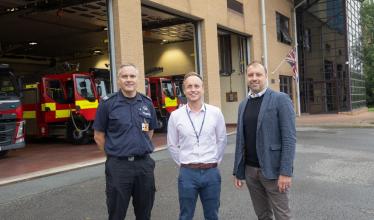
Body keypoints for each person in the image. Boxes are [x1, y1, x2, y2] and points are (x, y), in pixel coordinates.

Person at [93, 64, 158, 220]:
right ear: (119, 80)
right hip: (118, 167)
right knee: (116, 212)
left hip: (144, 166)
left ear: (138, 79)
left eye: (132, 76)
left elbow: (149, 131)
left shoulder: (147, 103)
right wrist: (114, 153)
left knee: (145, 212)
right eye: (125, 76)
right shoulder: (108, 103)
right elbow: (98, 136)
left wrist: (137, 147)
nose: (129, 80)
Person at [233, 61, 296, 220]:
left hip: (274, 171)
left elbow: (289, 138)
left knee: (283, 216)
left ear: (266, 76)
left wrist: (286, 172)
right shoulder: (243, 105)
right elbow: (241, 140)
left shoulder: (280, 99)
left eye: (258, 74)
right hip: (251, 172)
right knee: (262, 215)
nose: (254, 78)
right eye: (251, 75)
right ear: (247, 78)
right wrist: (239, 171)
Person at [167, 72, 227, 220]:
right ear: (184, 90)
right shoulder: (176, 116)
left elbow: (221, 140)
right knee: (186, 215)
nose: (193, 89)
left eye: (196, 86)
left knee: (212, 215)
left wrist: (214, 161)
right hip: (188, 173)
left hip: (211, 172)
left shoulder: (215, 113)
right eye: (189, 86)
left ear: (203, 89)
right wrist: (183, 163)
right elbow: (172, 145)